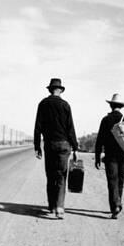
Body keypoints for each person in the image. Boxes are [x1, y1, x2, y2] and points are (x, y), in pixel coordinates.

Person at [33, 78, 78, 219]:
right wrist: (75, 147)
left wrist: (37, 146)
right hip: (64, 145)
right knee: (61, 175)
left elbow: (37, 127)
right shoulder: (66, 105)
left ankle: (51, 205)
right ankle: (59, 207)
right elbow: (70, 128)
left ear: (49, 90)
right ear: (60, 90)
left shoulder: (43, 104)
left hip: (49, 144)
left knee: (50, 174)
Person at [95, 93, 124, 219]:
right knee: (120, 180)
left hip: (110, 156)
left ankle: (115, 206)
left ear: (110, 105)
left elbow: (100, 140)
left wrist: (98, 156)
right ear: (121, 107)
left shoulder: (105, 120)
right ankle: (118, 203)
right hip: (123, 155)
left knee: (112, 181)